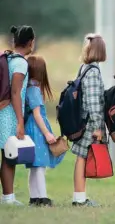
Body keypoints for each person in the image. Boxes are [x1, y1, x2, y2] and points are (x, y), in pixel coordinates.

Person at [0, 25, 35, 205]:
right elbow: (15, 92)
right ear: (30, 42)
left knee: (6, 155)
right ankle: (8, 198)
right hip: (9, 114)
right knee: (9, 156)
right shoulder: (21, 62)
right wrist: (20, 121)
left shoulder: (8, 58)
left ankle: (7, 196)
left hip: (3, 110)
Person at [71, 33, 106, 207]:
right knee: (82, 158)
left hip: (83, 120)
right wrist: (98, 126)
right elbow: (93, 101)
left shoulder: (84, 68)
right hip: (89, 123)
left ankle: (80, 196)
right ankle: (79, 198)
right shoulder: (92, 72)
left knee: (81, 157)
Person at [25, 55, 65, 207]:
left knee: (34, 166)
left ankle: (34, 197)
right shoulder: (34, 90)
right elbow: (37, 115)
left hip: (31, 128)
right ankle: (42, 197)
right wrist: (47, 133)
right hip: (37, 130)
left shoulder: (27, 88)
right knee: (40, 166)